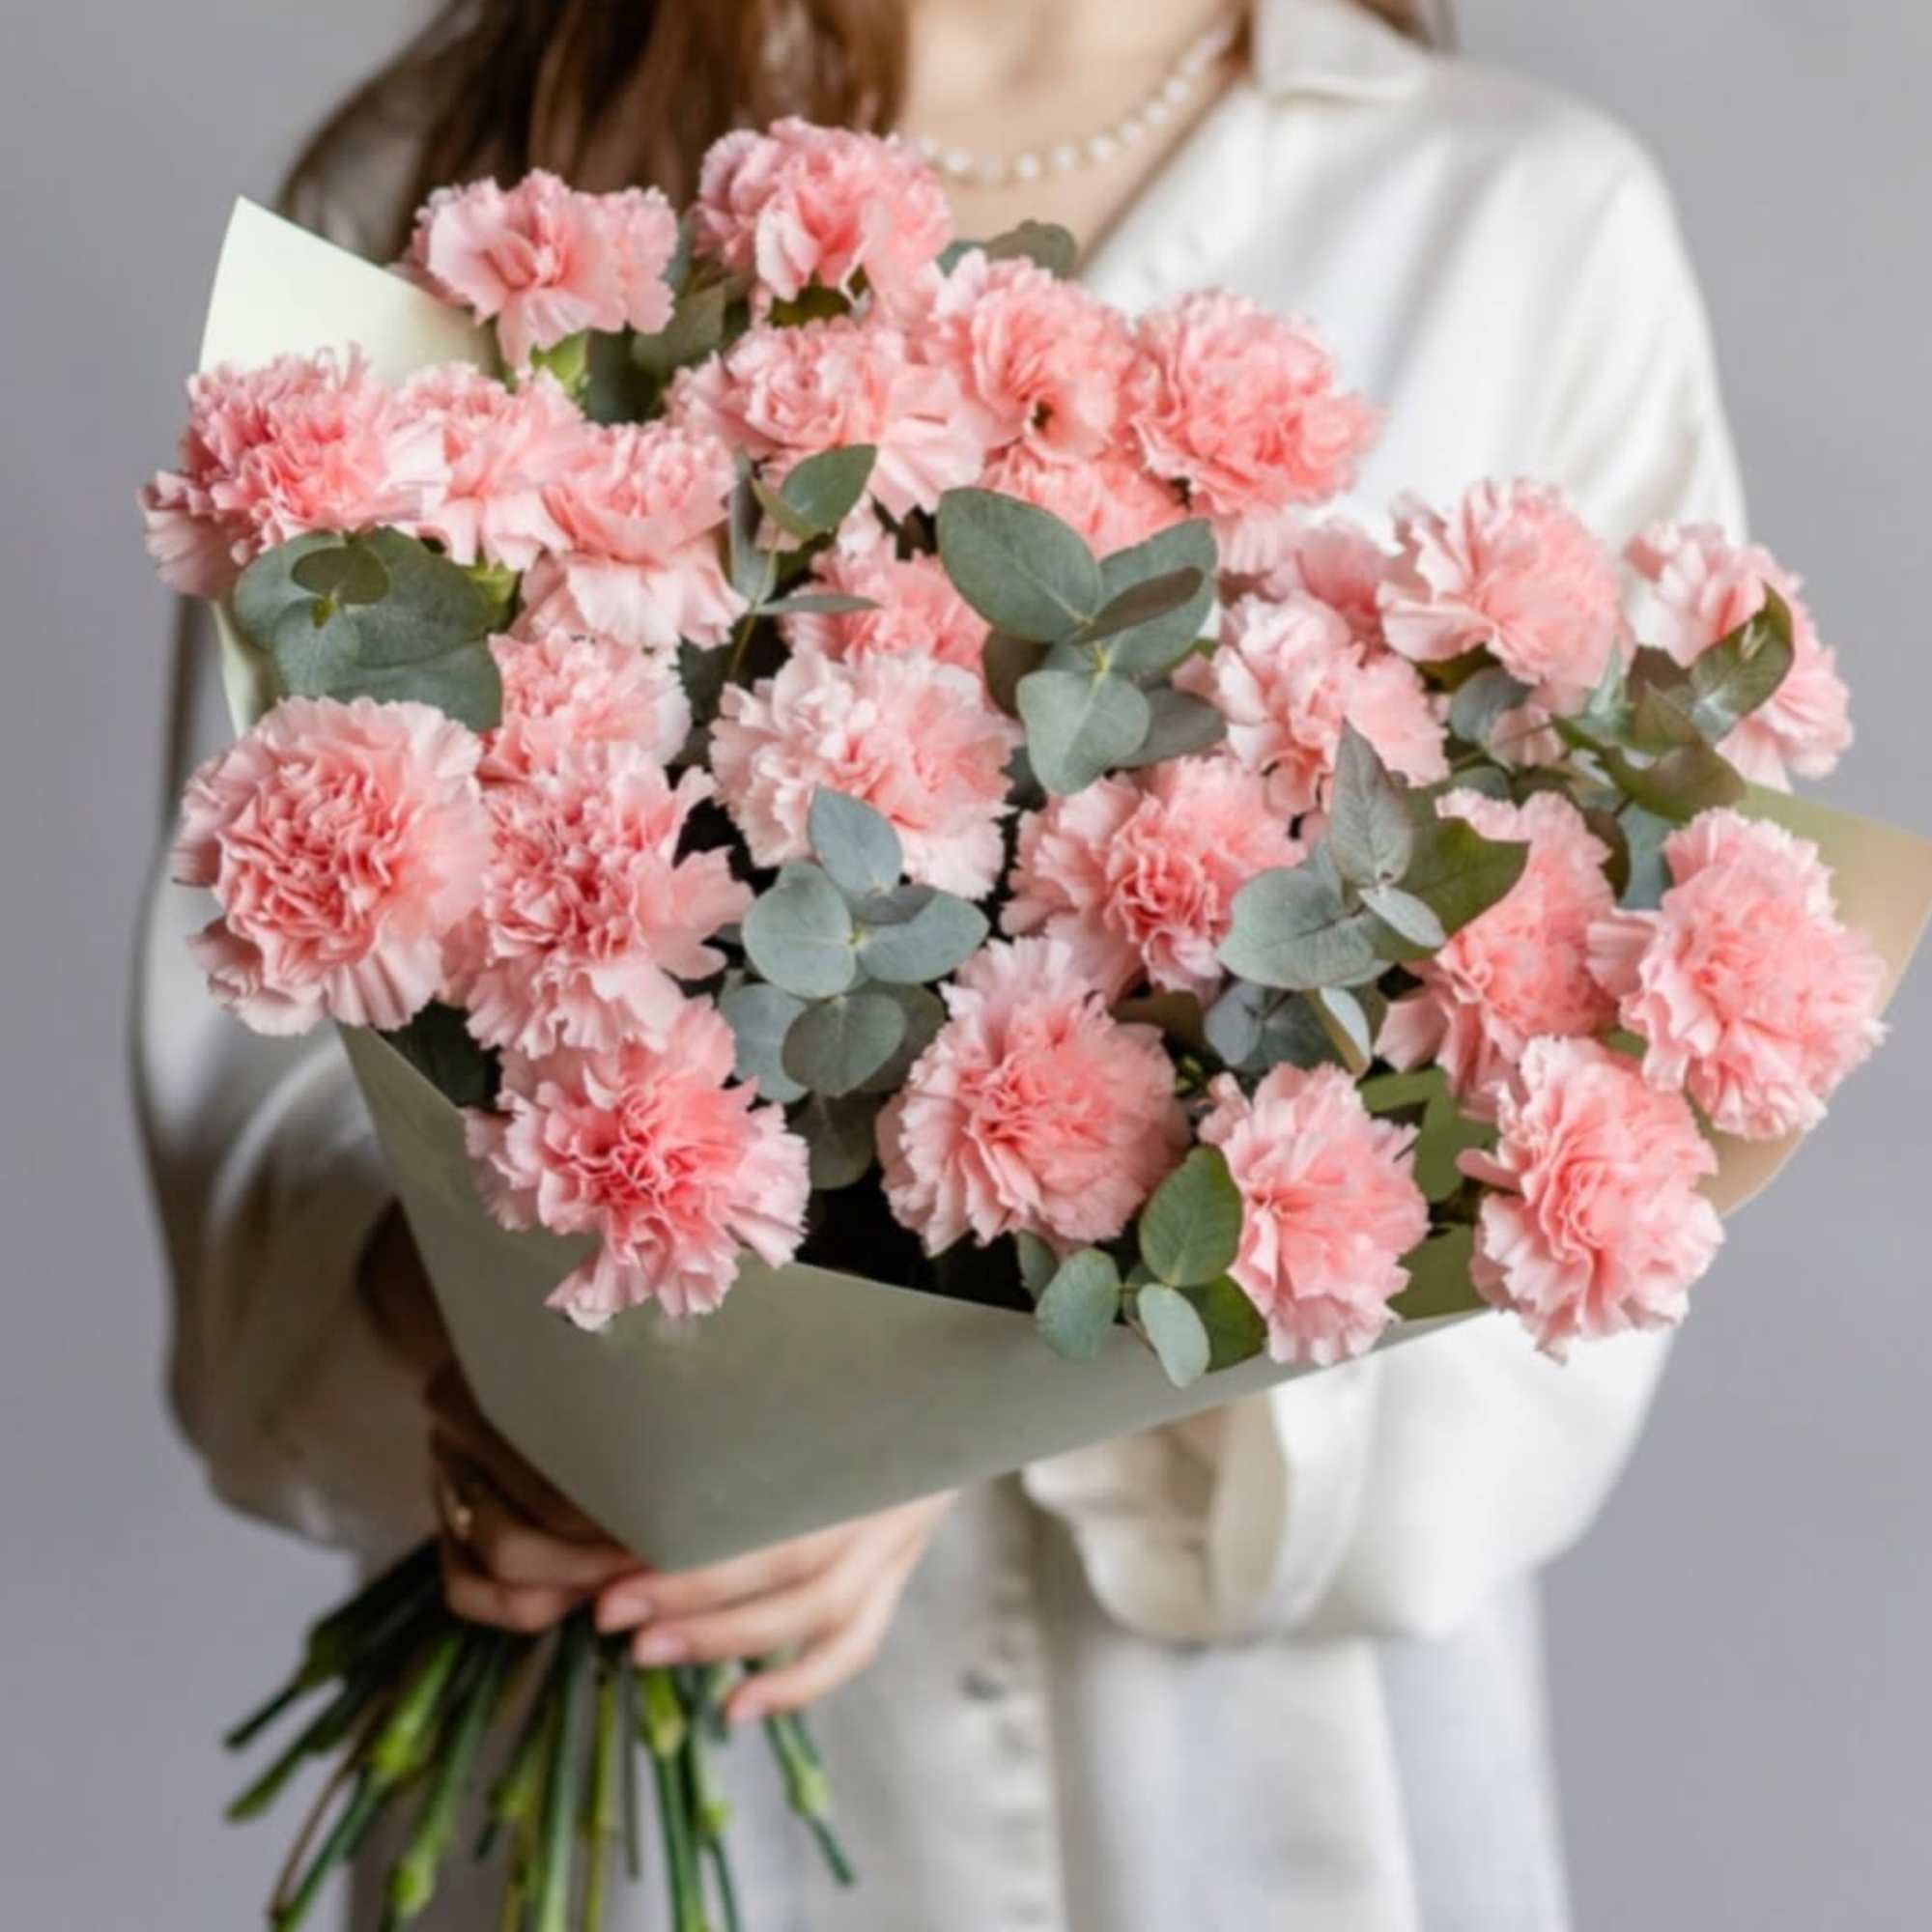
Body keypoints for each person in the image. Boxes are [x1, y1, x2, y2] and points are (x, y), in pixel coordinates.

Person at [135, 1, 1747, 1925]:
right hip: (633, 1745)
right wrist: (505, 1361)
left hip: (1259, 1814)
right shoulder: (452, 180)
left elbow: (1585, 1239)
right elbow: (250, 1115)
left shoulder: (1514, 213)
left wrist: (961, 1413)